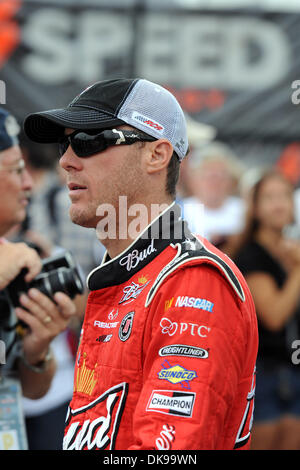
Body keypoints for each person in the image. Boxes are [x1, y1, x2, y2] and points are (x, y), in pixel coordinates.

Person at [24, 78, 258, 450]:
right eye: (64, 144)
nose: (66, 161)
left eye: (88, 141)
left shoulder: (192, 281)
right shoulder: (120, 275)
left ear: (157, 155)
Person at [0, 107, 77, 449]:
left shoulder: (13, 255)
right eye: (17, 171)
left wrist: (37, 351)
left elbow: (31, 389)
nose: (29, 183)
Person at [232, 168, 300, 450]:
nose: (280, 203)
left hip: (293, 367)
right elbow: (274, 315)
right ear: (256, 207)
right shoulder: (251, 254)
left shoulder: (290, 250)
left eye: (285, 195)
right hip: (264, 374)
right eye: (270, 197)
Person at [181, 141, 245, 248]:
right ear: (193, 180)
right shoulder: (180, 211)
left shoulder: (243, 210)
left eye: (220, 176)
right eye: (208, 176)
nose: (214, 183)